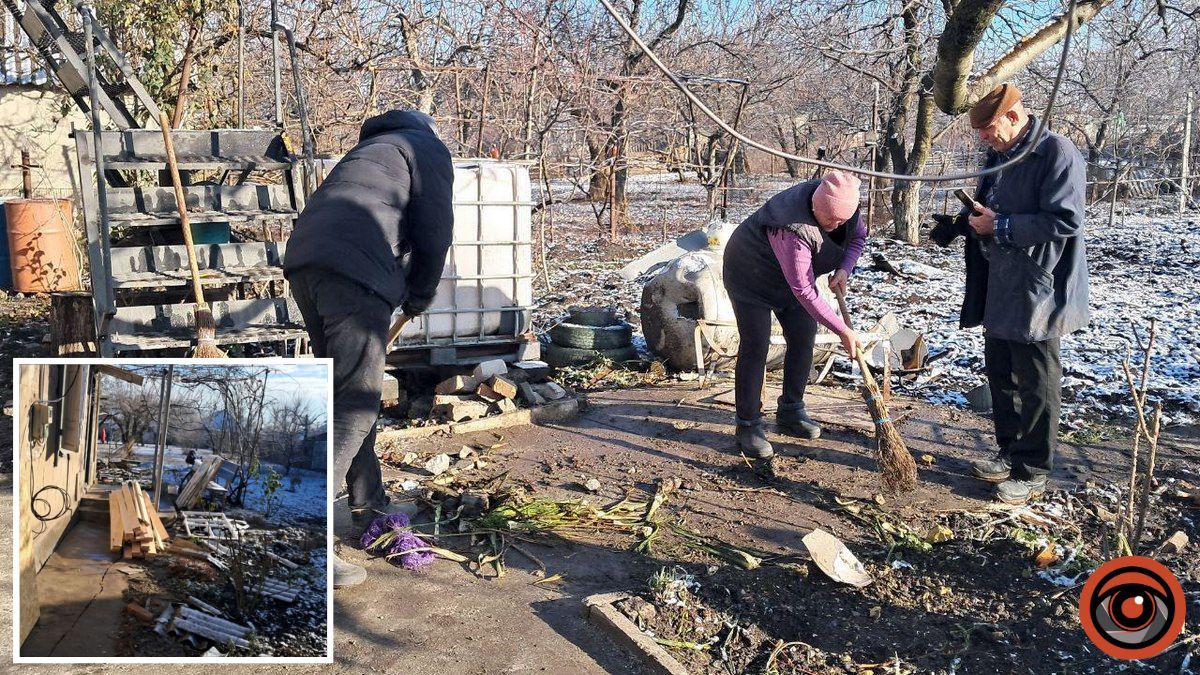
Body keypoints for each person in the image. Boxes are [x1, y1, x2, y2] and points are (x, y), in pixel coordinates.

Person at [284, 110, 455, 586]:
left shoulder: (368, 152)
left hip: (305, 264)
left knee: (348, 398)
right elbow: (435, 229)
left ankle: (368, 505)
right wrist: (420, 293)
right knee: (356, 406)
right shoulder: (424, 147)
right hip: (355, 273)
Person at [930, 83, 1089, 505]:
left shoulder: (1056, 153)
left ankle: (1033, 469)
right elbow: (990, 207)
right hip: (1001, 280)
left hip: (1039, 284)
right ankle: (1009, 451)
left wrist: (999, 227)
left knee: (1036, 379)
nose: (983, 138)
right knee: (1001, 373)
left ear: (1015, 117)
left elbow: (1065, 221)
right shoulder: (1001, 155)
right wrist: (960, 224)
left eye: (988, 129)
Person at [722, 171, 866, 458]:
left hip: (791, 279)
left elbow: (858, 238)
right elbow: (803, 289)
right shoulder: (791, 226)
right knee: (756, 345)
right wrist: (842, 330)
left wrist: (844, 269)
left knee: (803, 338)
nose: (835, 225)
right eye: (830, 220)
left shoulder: (846, 208)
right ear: (816, 206)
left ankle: (791, 410)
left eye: (841, 220)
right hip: (750, 275)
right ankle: (748, 425)